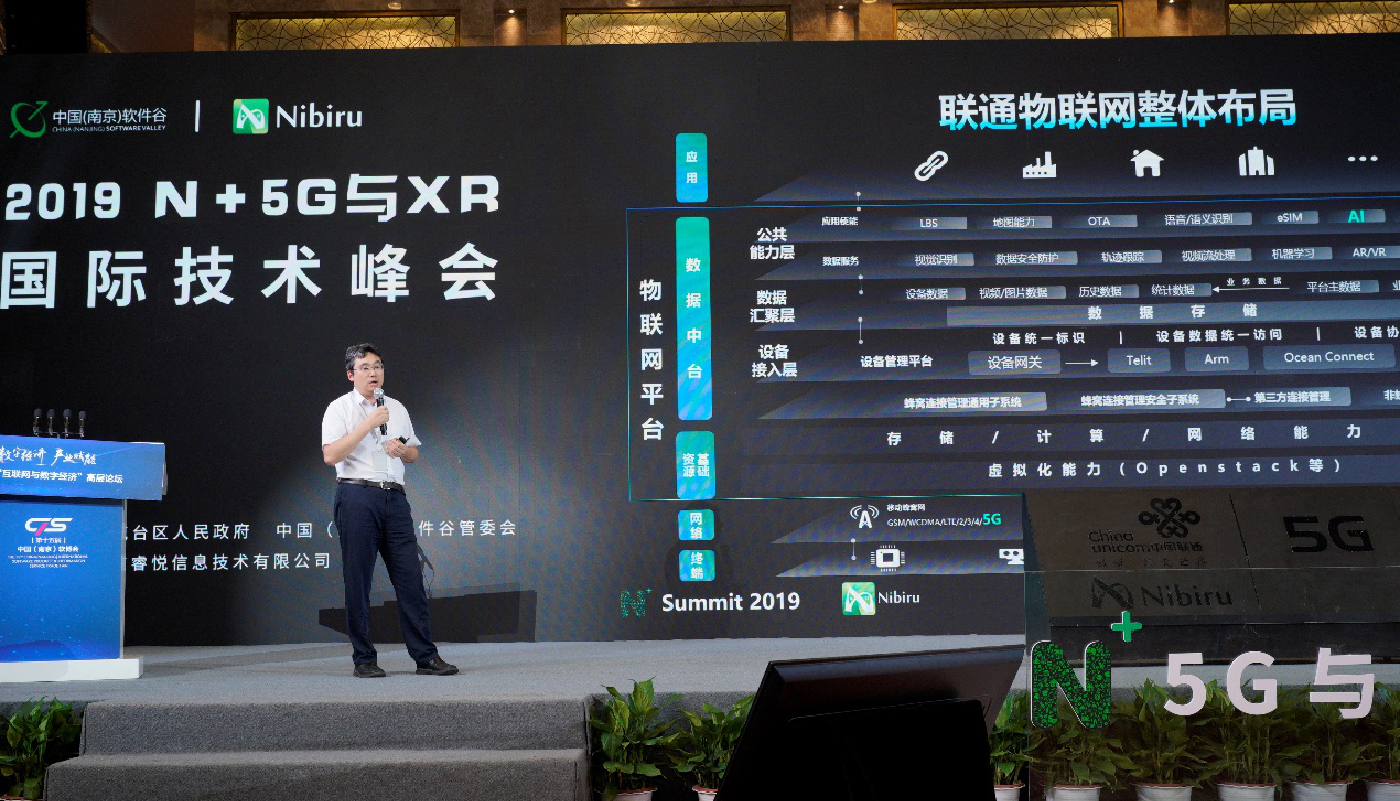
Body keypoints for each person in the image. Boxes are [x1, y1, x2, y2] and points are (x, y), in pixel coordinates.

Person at [321, 343, 458, 678]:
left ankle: (425, 657)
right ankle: (364, 659)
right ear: (351, 374)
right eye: (366, 367)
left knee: (411, 579)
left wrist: (401, 450)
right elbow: (331, 455)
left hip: (394, 498)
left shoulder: (395, 407)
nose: (374, 373)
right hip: (357, 496)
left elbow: (413, 453)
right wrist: (368, 424)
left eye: (378, 366)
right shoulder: (339, 408)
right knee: (358, 580)